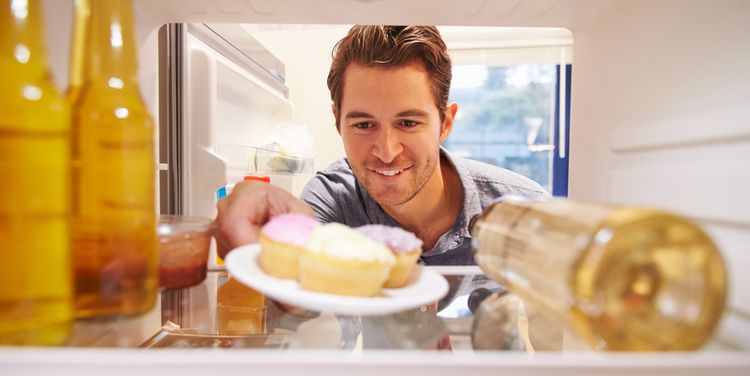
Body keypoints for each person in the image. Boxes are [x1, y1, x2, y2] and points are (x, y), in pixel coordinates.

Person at [215, 25, 548, 265]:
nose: (386, 151)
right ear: (337, 121)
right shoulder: (333, 199)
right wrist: (269, 242)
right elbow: (305, 307)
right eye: (363, 124)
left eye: (408, 122)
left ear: (446, 122)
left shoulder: (521, 209)